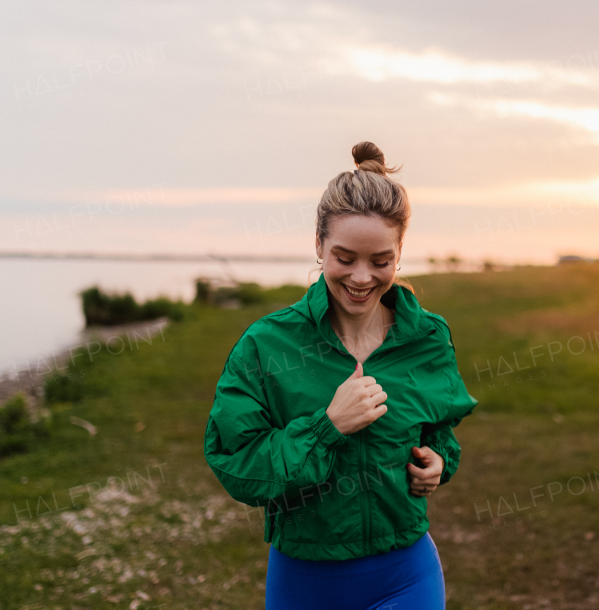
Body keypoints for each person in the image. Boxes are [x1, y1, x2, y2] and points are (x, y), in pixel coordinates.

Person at [203, 141, 479, 609]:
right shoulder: (266, 345)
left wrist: (439, 462)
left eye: (380, 261)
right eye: (345, 258)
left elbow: (439, 430)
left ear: (399, 253)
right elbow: (235, 464)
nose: (361, 277)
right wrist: (327, 428)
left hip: (406, 575)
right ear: (318, 245)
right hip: (306, 582)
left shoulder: (428, 338)